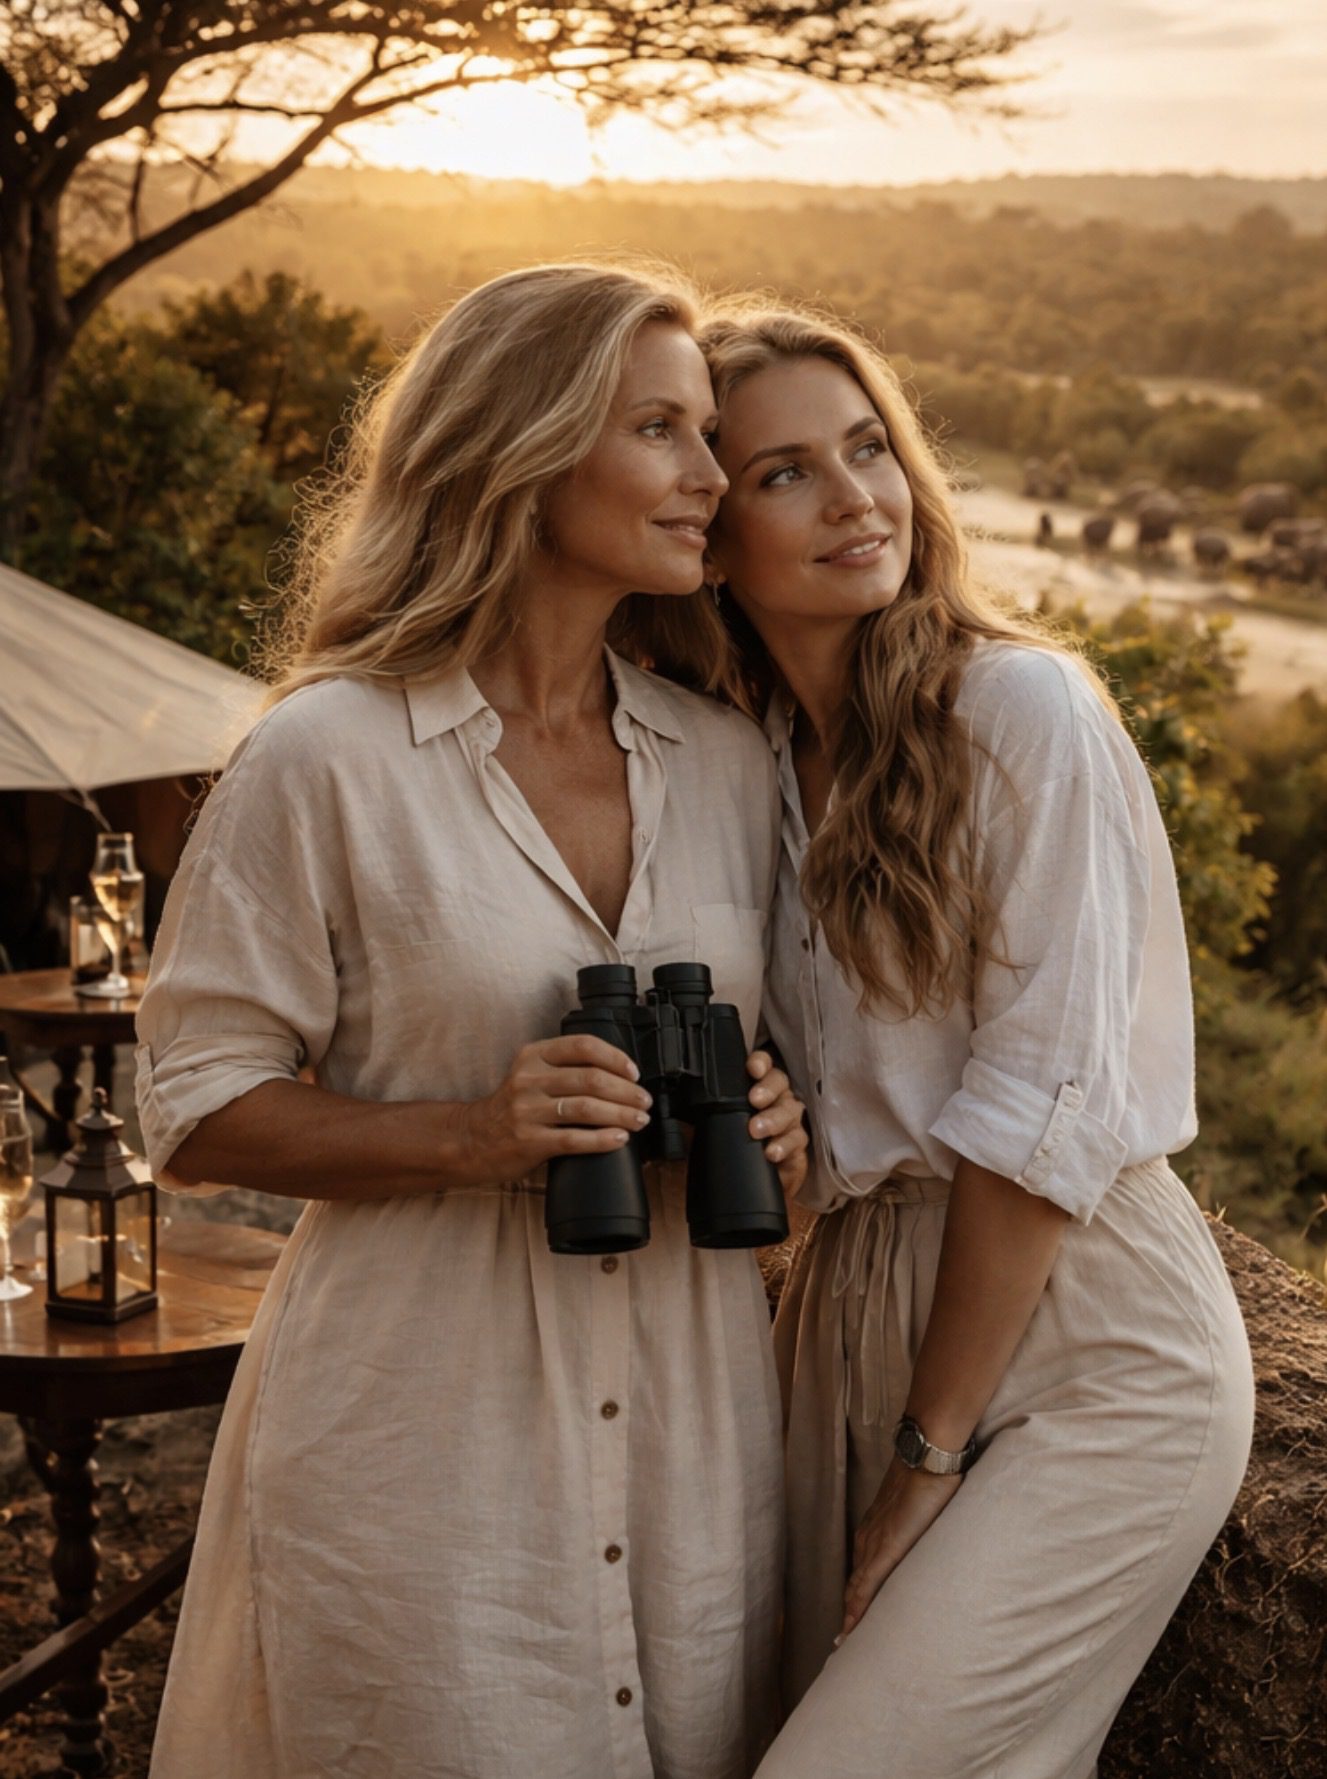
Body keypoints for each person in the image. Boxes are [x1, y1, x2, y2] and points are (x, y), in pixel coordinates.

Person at [136, 264, 808, 1779]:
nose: (710, 475)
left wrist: (778, 1119)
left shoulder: (728, 762)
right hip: (421, 1439)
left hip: (701, 1444)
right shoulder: (329, 755)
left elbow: (813, 1079)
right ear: (524, 445)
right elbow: (192, 1104)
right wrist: (474, 1134)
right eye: (661, 430)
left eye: (709, 433)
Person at [692, 303, 1255, 1778]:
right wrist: (783, 1121)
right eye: (785, 474)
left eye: (868, 447)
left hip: (1083, 1330)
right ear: (710, 531)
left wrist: (925, 1455)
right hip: (854, 1311)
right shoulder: (745, 761)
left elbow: (1041, 1104)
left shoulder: (1018, 707)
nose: (856, 497)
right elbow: (848, 1095)